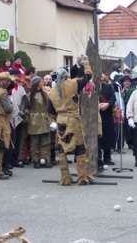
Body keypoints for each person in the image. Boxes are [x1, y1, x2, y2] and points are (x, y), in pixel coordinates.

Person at [47, 55, 94, 185]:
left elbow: (50, 110)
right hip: (73, 119)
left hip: (61, 120)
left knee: (62, 148)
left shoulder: (51, 92)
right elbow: (88, 76)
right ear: (67, 76)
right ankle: (82, 176)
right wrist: (86, 64)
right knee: (79, 148)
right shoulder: (73, 84)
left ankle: (65, 177)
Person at [27, 76, 53, 168]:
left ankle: (45, 159)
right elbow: (27, 107)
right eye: (41, 81)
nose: (43, 83)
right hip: (35, 119)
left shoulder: (45, 93)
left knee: (46, 140)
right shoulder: (30, 95)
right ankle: (36, 160)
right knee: (35, 141)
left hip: (44, 118)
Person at [98, 74, 116, 166]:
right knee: (98, 137)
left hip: (106, 114)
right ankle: (98, 157)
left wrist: (107, 104)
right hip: (96, 115)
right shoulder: (90, 87)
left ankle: (107, 157)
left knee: (107, 136)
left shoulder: (108, 87)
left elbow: (113, 98)